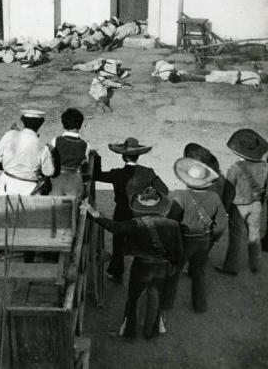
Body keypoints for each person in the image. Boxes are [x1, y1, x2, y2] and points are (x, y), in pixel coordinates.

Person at [82, 187, 184, 340]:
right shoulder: (173, 224)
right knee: (155, 298)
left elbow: (114, 227)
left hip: (142, 266)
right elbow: (178, 251)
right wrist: (173, 266)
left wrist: (94, 213)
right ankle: (151, 332)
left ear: (141, 207)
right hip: (162, 266)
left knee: (134, 299)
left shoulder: (136, 223)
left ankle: (129, 333)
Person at [94, 137, 169, 282]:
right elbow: (164, 190)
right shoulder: (148, 172)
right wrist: (148, 199)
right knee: (141, 239)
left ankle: (116, 271)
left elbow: (96, 175)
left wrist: (96, 158)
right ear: (138, 156)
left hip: (121, 211)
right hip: (141, 211)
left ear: (123, 156)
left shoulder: (117, 173)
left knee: (118, 241)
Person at [163, 158, 227, 313]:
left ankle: (166, 304)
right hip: (204, 241)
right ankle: (200, 305)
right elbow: (221, 223)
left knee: (174, 271)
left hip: (185, 241)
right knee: (199, 272)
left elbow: (171, 222)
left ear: (188, 181)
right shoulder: (215, 197)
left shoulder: (182, 197)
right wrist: (212, 238)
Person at [217, 129, 268, 275]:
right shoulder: (265, 166)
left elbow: (229, 192)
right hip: (256, 205)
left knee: (236, 238)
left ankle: (231, 267)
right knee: (254, 234)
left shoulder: (235, 168)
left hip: (238, 208)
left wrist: (225, 209)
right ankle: (256, 264)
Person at [0, 109, 55, 195]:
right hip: (29, 190)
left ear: (22, 121)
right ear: (41, 124)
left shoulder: (10, 135)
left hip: (7, 186)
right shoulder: (42, 146)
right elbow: (48, 172)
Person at [49, 108, 90, 199]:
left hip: (56, 182)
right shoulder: (85, 145)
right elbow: (84, 162)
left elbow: (50, 160)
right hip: (75, 183)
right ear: (80, 124)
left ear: (63, 124)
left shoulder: (56, 140)